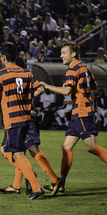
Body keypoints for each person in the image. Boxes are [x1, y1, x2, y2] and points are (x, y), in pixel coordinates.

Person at [40, 41, 107, 194]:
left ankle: (61, 181)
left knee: (91, 146)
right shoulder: (84, 67)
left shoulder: (73, 69)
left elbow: (67, 91)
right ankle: (61, 182)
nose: (61, 55)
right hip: (80, 112)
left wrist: (48, 86)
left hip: (82, 112)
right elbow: (94, 86)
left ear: (73, 54)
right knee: (66, 146)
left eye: (64, 52)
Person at [0, 43, 46, 200]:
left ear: (4, 57)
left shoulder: (0, 74)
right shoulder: (26, 73)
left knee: (16, 154)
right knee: (16, 152)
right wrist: (26, 98)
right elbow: (40, 89)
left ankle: (35, 184)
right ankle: (29, 181)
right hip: (26, 118)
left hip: (12, 119)